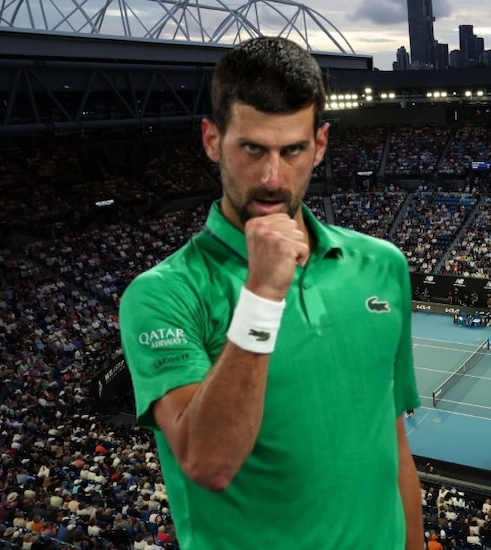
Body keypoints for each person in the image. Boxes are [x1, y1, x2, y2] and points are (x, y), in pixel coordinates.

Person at [118, 36, 421, 550]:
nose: (272, 177)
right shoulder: (161, 296)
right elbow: (208, 463)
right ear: (213, 140)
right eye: (252, 148)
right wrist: (261, 293)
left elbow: (391, 445)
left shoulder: (383, 266)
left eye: (293, 150)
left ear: (320, 145)